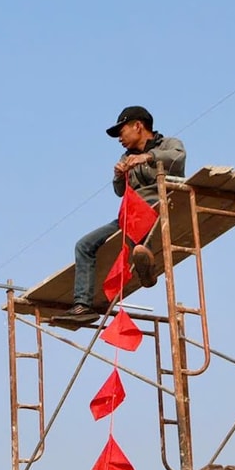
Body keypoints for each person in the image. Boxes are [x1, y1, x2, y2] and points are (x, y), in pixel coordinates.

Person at [61, 105, 188, 325]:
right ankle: (82, 306)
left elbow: (179, 158)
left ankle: (146, 266)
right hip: (131, 214)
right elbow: (120, 192)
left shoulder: (168, 144)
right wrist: (119, 175)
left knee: (140, 238)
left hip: (160, 207)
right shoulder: (126, 156)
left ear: (138, 126)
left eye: (122, 131)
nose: (120, 138)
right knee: (84, 245)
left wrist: (148, 157)